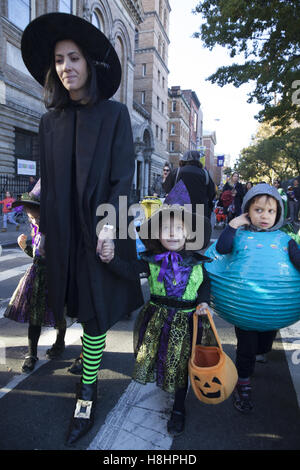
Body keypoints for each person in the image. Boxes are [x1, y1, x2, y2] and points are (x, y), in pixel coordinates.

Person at [21, 13, 144, 444]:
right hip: (62, 234)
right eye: (58, 60)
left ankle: (87, 389)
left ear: (89, 64)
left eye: (73, 57)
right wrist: (35, 219)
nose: (65, 67)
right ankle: (86, 365)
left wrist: (110, 228)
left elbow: (122, 178)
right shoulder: (47, 121)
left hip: (100, 232)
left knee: (94, 314)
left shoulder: (114, 115)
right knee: (72, 305)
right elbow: (47, 183)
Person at [100, 180, 214, 436]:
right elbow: (128, 271)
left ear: (189, 234)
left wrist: (204, 302)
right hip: (156, 319)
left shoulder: (196, 262)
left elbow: (205, 282)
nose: (173, 234)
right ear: (158, 235)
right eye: (166, 229)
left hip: (187, 322)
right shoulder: (151, 261)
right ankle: (165, 382)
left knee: (183, 364)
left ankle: (178, 409)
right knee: (159, 357)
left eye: (179, 229)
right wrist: (110, 259)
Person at [214, 184, 300, 413]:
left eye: (271, 211)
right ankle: (242, 383)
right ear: (247, 212)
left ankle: (259, 354)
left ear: (278, 214)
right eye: (259, 210)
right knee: (247, 347)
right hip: (245, 309)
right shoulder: (240, 235)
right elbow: (222, 249)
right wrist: (232, 226)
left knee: (264, 345)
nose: (265, 216)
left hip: (274, 310)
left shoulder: (285, 240)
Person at [4, 180, 66, 372]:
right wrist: (26, 248)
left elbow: (64, 256)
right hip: (37, 278)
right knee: (35, 316)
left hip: (55, 278)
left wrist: (52, 251)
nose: (33, 220)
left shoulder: (57, 231)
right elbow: (36, 255)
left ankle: (59, 342)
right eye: (31, 217)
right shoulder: (37, 229)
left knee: (58, 314)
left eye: (36, 216)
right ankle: (32, 354)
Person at [163, 150, 216, 220]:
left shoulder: (177, 172)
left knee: (179, 230)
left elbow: (166, 188)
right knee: (198, 230)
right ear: (198, 160)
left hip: (179, 210)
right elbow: (212, 193)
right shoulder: (205, 174)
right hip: (199, 212)